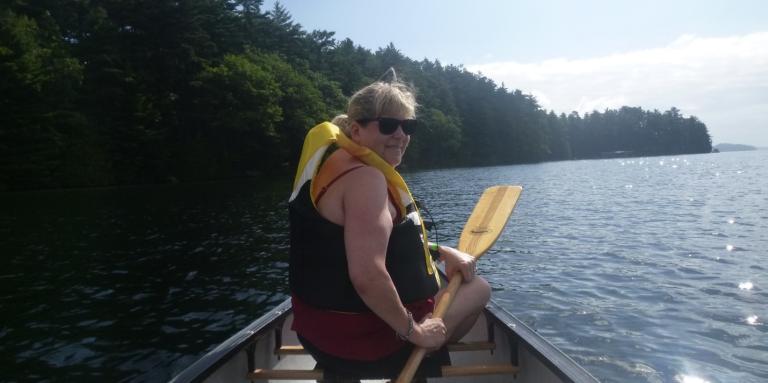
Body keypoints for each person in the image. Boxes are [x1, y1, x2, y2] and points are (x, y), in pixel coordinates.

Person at [288, 69, 491, 380]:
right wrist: (416, 331)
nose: (400, 135)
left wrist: (440, 250)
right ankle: (421, 353)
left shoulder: (331, 166)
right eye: (387, 125)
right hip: (364, 344)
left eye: (407, 125)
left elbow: (349, 245)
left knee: (446, 278)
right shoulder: (366, 179)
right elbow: (367, 276)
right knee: (478, 287)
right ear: (356, 130)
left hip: (317, 336)